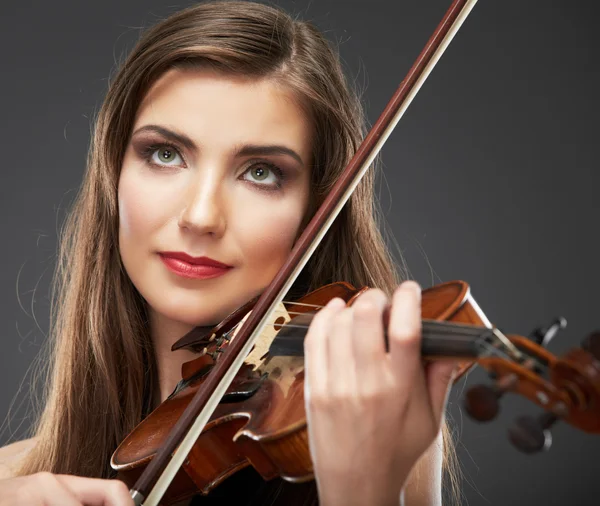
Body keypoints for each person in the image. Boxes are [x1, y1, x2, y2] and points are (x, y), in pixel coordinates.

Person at [0, 1, 461, 504]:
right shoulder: (14, 479)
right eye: (165, 154)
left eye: (260, 172)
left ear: (316, 206)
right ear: (113, 174)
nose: (200, 217)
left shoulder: (387, 436)